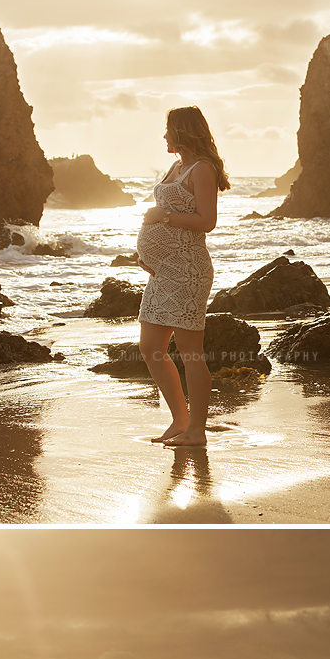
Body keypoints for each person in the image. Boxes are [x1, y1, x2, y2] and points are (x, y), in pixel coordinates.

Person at [136, 105, 230, 448]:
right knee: (150, 347)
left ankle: (197, 432)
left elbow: (206, 221)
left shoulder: (202, 169)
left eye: (168, 129)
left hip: (189, 270)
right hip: (164, 271)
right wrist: (148, 254)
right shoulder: (177, 166)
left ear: (183, 131)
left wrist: (163, 218)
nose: (164, 136)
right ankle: (180, 418)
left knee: (190, 351)